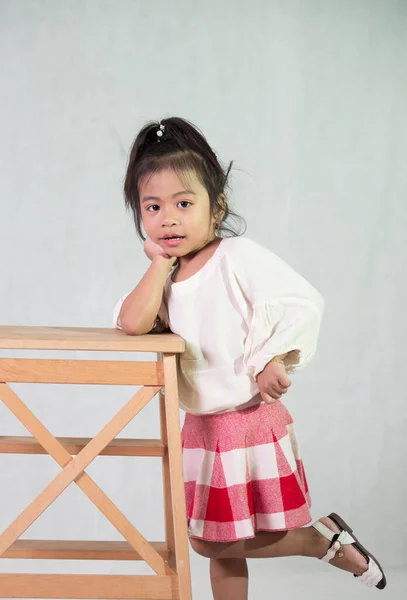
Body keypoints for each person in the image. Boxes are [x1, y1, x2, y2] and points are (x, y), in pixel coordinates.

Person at [112, 117, 386, 598]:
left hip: (245, 420)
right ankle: (324, 540)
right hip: (203, 426)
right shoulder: (166, 277)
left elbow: (300, 302)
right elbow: (133, 322)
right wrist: (158, 263)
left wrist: (272, 361)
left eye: (183, 203)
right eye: (152, 207)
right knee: (224, 546)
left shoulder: (235, 257)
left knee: (213, 544)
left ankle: (318, 541)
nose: (168, 218)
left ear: (215, 210)